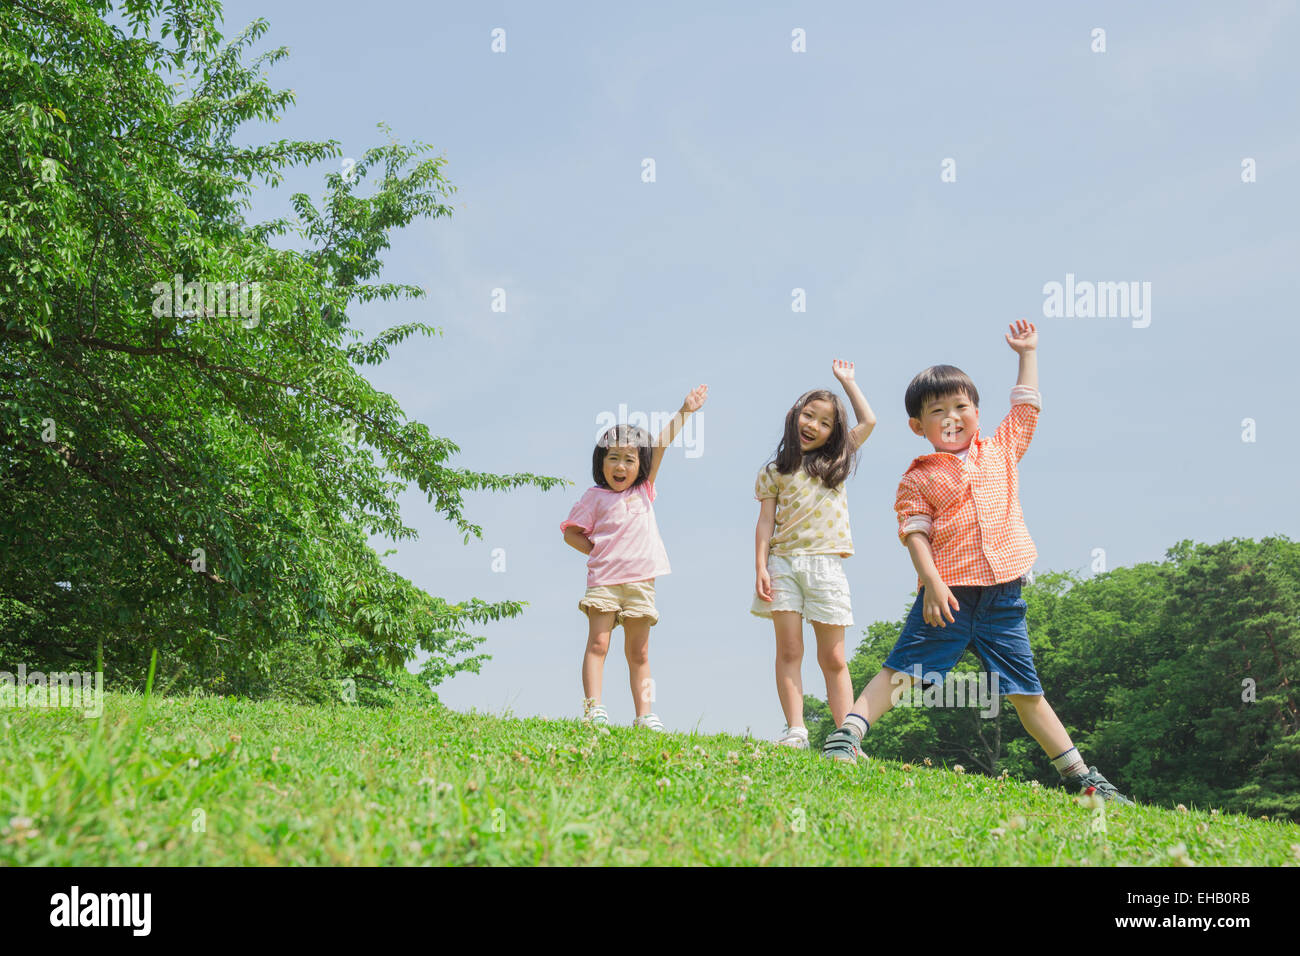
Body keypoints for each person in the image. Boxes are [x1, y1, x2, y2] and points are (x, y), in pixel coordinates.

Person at [820, 322, 1131, 803]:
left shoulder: (1001, 450)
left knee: (1027, 692)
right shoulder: (919, 476)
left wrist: (1027, 353)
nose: (952, 417)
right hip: (947, 596)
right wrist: (931, 581)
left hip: (1004, 599)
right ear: (917, 427)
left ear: (977, 413)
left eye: (961, 406)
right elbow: (914, 531)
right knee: (903, 671)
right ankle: (847, 737)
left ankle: (1084, 780)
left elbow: (1026, 406)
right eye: (937, 411)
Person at [561, 385, 708, 730]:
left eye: (629, 459)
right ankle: (594, 709)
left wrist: (684, 411)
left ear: (640, 466)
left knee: (639, 653)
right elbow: (570, 533)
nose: (621, 465)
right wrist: (598, 549)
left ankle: (645, 715)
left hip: (641, 582)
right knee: (598, 643)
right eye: (613, 457)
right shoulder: (594, 497)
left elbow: (660, 446)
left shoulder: (644, 490)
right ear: (601, 462)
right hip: (604, 582)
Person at [753, 360, 876, 751]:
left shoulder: (837, 462)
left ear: (833, 433)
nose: (814, 426)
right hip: (783, 564)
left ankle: (846, 737)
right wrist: (760, 566)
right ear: (795, 416)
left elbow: (869, 421)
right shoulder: (774, 471)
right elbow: (765, 524)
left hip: (825, 564)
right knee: (789, 650)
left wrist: (848, 382)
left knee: (834, 657)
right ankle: (796, 730)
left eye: (825, 423)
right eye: (809, 416)